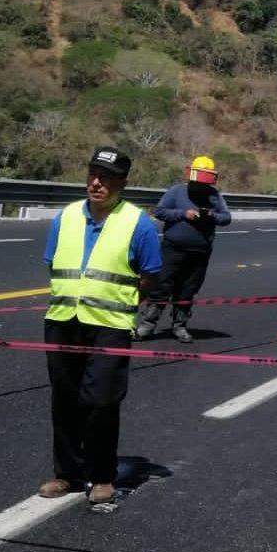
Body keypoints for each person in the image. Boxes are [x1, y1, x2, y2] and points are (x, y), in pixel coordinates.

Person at [38, 146, 162, 505]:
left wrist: (113, 299)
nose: (97, 182)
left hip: (109, 324)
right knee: (64, 399)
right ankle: (68, 474)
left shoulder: (138, 223)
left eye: (106, 178)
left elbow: (149, 276)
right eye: (93, 174)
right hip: (63, 320)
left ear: (122, 183)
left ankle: (102, 475)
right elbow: (54, 264)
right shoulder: (66, 217)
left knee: (101, 402)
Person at [134, 156, 231, 343]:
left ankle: (179, 326)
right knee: (161, 286)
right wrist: (183, 214)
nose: (199, 187)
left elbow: (226, 218)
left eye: (203, 184)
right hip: (172, 249)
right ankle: (147, 325)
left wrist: (211, 216)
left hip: (199, 253)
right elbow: (160, 211)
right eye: (196, 183)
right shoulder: (176, 191)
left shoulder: (215, 196)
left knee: (187, 289)